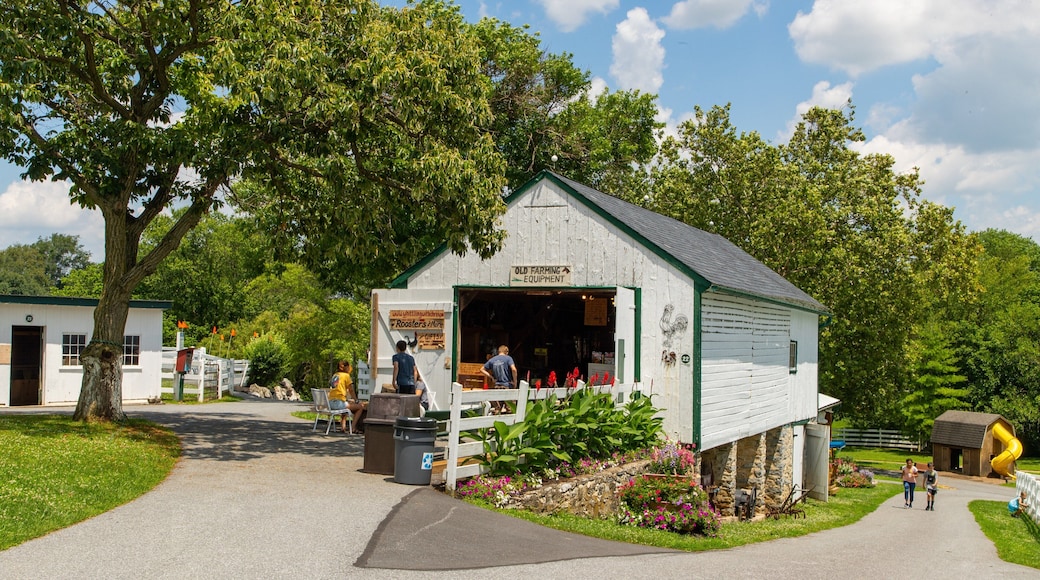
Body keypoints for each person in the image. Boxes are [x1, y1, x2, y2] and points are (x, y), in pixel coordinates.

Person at [328, 361, 364, 434]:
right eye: (348, 366)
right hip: (338, 403)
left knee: (346, 406)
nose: (349, 368)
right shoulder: (346, 376)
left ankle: (343, 427)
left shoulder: (335, 375)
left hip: (330, 403)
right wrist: (356, 400)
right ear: (345, 367)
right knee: (360, 407)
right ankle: (353, 428)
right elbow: (351, 390)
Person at [481, 345, 517, 413]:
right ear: (506, 352)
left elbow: (482, 369)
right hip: (507, 386)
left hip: (497, 386)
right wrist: (515, 382)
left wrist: (491, 377)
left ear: (499, 351)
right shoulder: (508, 358)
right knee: (511, 409)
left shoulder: (492, 360)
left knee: (497, 409)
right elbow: (514, 369)